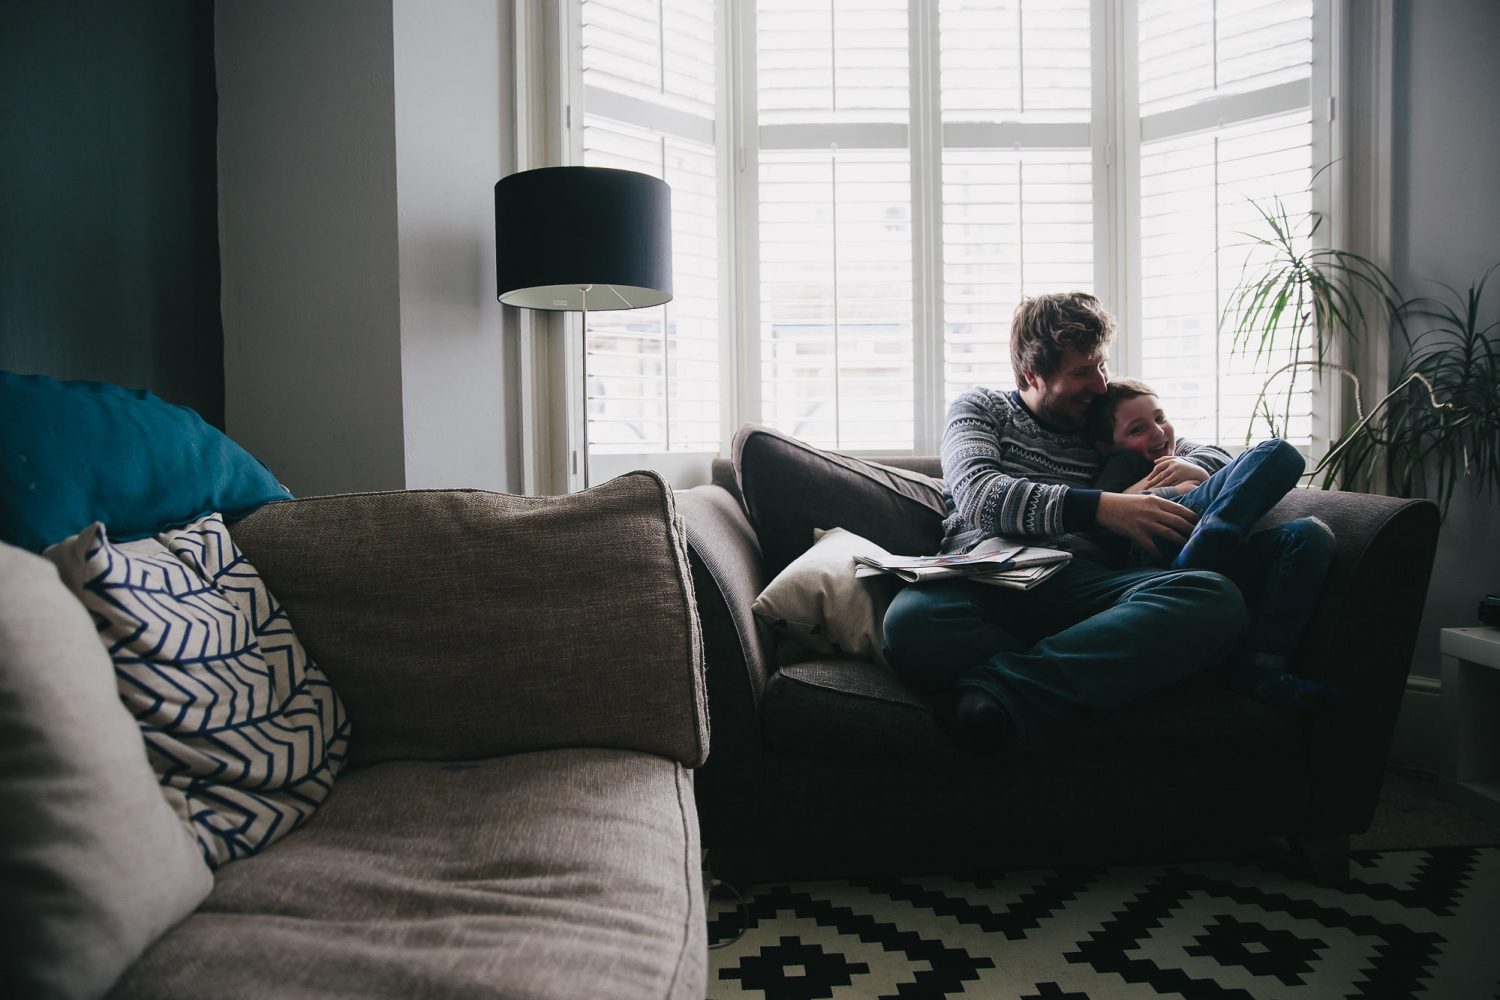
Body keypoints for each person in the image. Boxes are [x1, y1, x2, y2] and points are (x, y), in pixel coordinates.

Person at [881, 291, 1248, 753]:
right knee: (911, 625)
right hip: (982, 579)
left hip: (1081, 585)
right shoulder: (981, 408)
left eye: (1101, 366)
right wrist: (1105, 507)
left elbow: (1203, 451)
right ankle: (1095, 658)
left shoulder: (1104, 420)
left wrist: (1199, 467)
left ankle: (999, 693)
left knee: (1213, 596)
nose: (1098, 384)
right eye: (1081, 372)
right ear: (1030, 375)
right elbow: (980, 495)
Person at [1085, 377, 1336, 707]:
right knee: (1279, 451)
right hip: (1151, 551)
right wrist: (1175, 490)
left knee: (1309, 536)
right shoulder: (1123, 462)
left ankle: (1261, 665)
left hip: (1203, 562)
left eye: (1159, 418)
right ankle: (1209, 540)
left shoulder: (1184, 452)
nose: (1158, 432)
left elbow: (1217, 461)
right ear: (1107, 445)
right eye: (1137, 429)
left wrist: (1199, 476)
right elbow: (1107, 510)